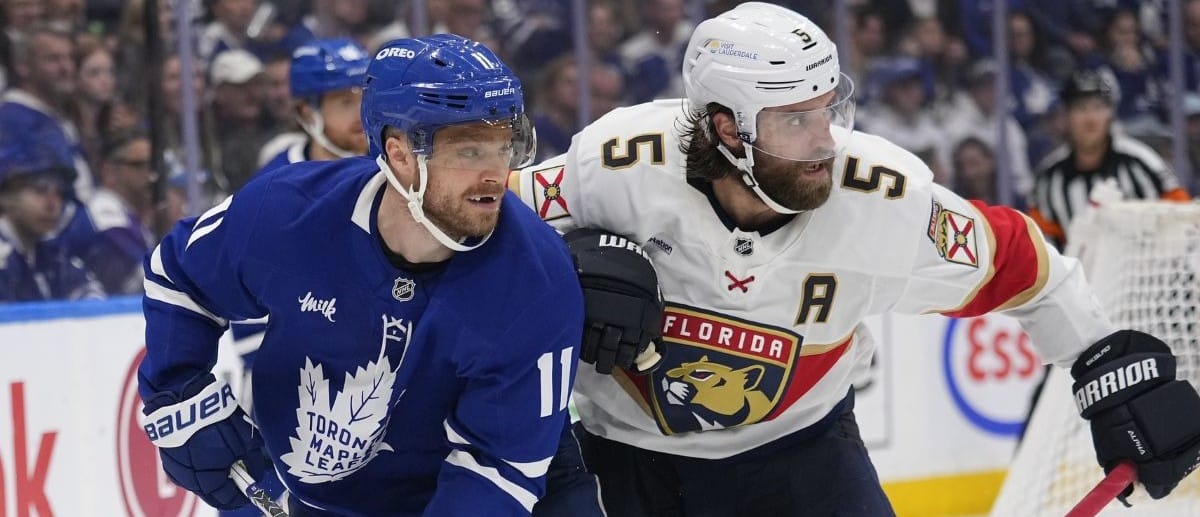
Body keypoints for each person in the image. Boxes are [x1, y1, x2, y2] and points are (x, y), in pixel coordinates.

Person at [509, 3, 1200, 514]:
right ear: (727, 129)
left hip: (803, 456)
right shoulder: (616, 167)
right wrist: (557, 268)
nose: (826, 141)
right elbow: (482, 222)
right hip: (627, 461)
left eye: (828, 109)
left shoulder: (884, 201)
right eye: (795, 120)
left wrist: (1103, 358)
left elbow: (1020, 260)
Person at [137, 35, 598, 516]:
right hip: (307, 494)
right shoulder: (288, 211)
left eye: (503, 147)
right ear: (400, 154)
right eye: (468, 152)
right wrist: (177, 391)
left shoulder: (537, 279)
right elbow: (177, 275)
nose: (495, 175)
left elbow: (498, 473)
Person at [1028, 69, 1190, 249]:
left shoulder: (1143, 162)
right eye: (1081, 108)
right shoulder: (1048, 178)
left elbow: (1184, 215)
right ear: (1067, 116)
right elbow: (1042, 245)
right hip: (1078, 266)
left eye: (1098, 107)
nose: (1091, 119)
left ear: (1110, 114)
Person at [0, 145, 103, 302]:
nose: (53, 204)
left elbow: (92, 298)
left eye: (60, 192)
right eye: (40, 190)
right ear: (6, 197)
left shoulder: (51, 255)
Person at [258, 37, 370, 173]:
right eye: (346, 102)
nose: (363, 113)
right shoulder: (277, 179)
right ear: (307, 113)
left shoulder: (391, 163)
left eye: (366, 98)